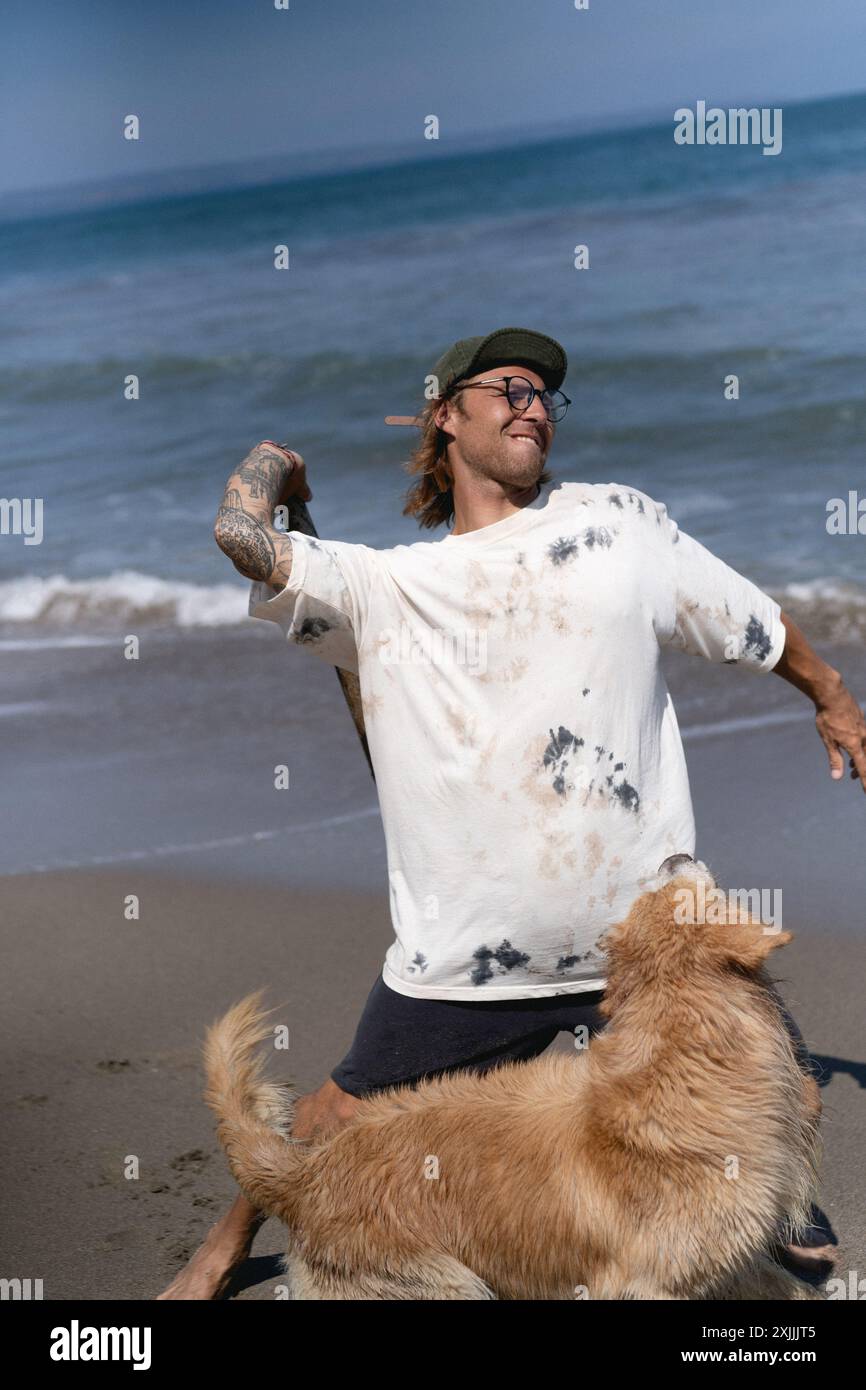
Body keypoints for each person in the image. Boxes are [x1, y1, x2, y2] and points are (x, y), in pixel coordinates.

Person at [158, 327, 864, 1298]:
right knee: (336, 1114)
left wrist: (828, 692)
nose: (533, 402)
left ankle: (771, 1245)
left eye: (545, 393)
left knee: (785, 1106)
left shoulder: (618, 523)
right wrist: (275, 461)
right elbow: (241, 537)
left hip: (650, 932)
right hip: (472, 950)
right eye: (509, 386)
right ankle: (227, 1240)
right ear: (443, 415)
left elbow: (744, 616)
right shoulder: (384, 583)